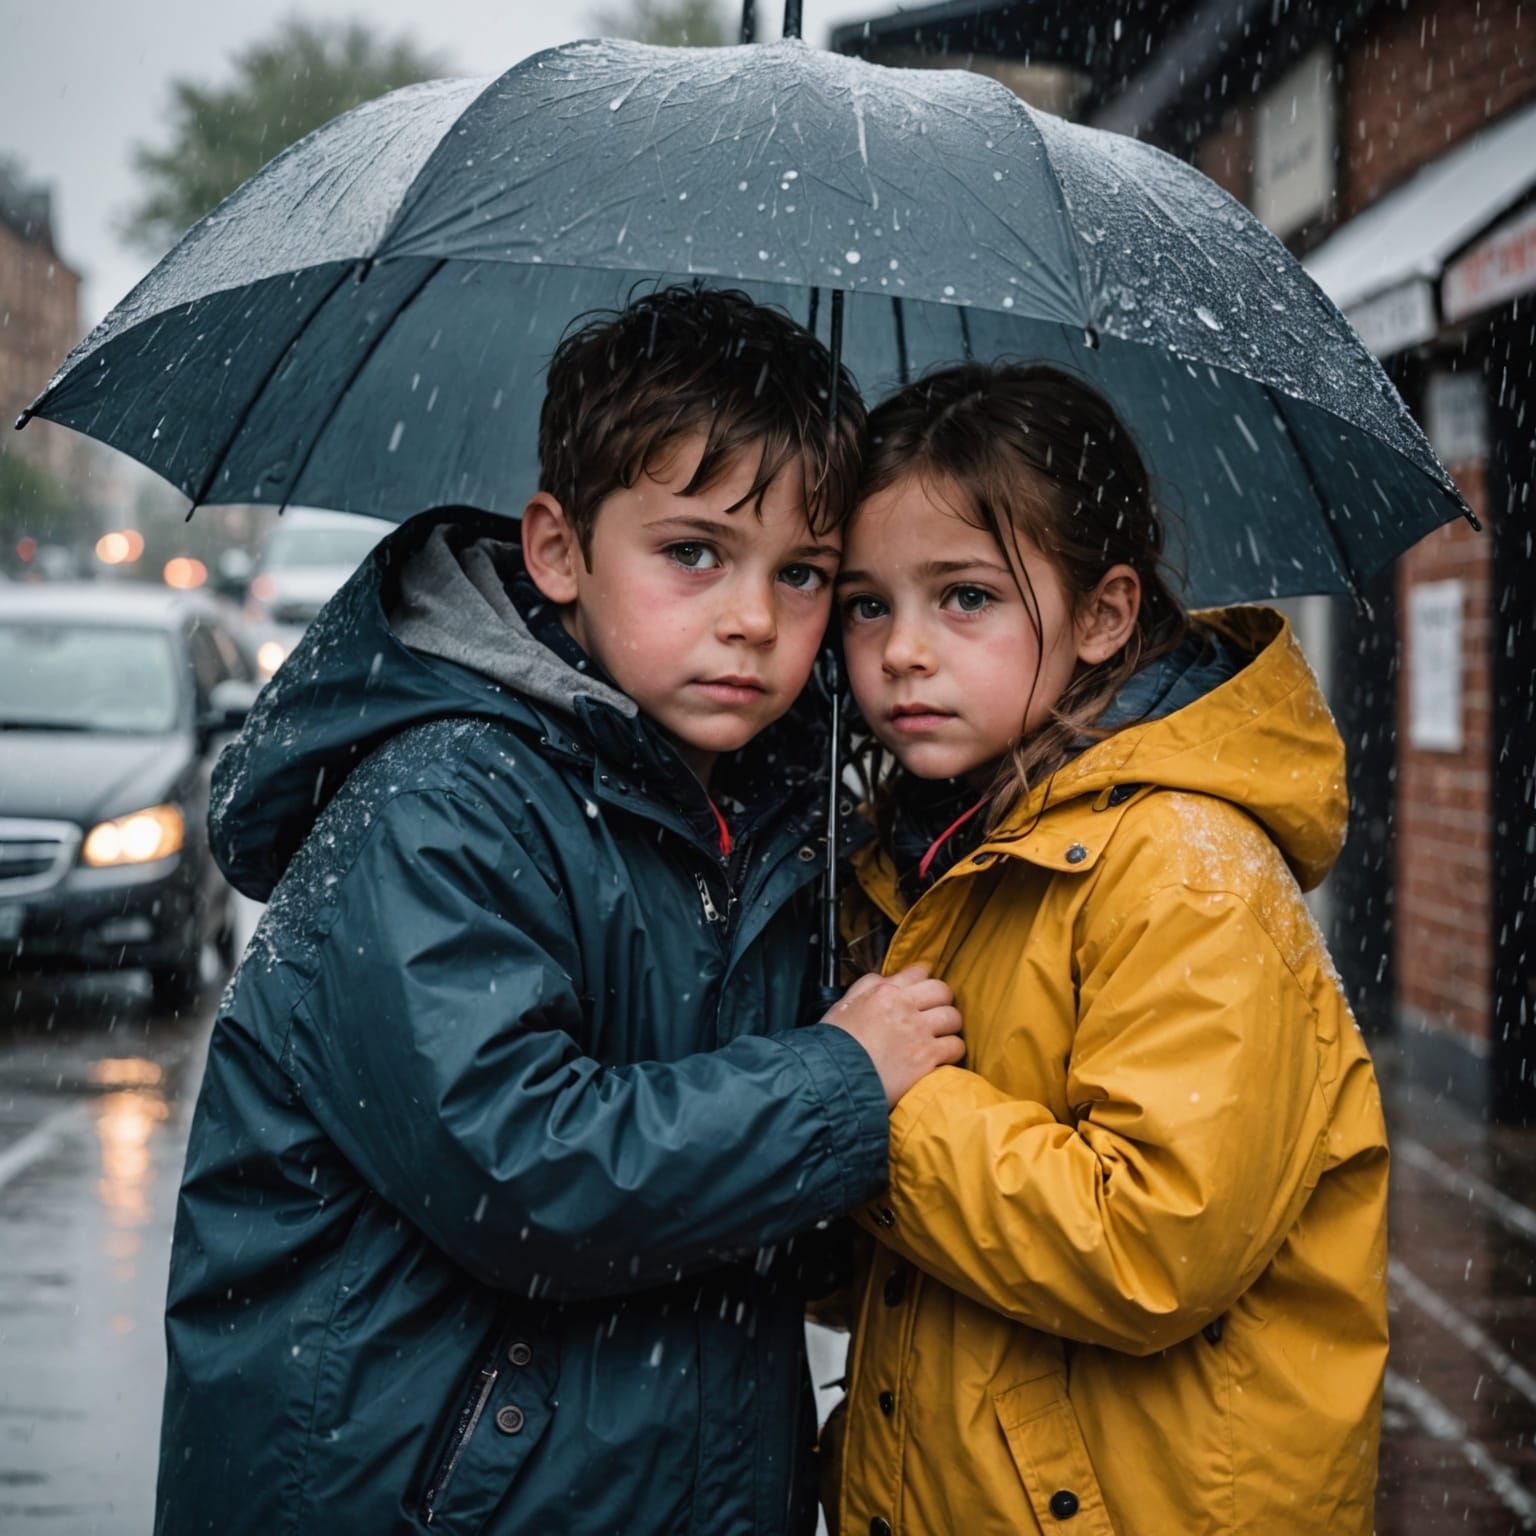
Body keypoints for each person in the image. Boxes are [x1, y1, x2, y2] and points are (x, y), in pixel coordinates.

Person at [156, 286, 963, 1536]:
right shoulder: (440, 803)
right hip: (433, 1495)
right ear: (558, 550)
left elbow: (758, 1226)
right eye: (693, 552)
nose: (752, 618)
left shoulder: (764, 817)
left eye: (802, 573)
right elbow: (521, 1173)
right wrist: (841, 1085)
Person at [823, 362, 1389, 1536]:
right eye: (866, 602)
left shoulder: (1181, 863)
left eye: (965, 595)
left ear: (1103, 614)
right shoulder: (935, 852)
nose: (903, 651)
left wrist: (872, 1100)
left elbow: (1151, 1243)